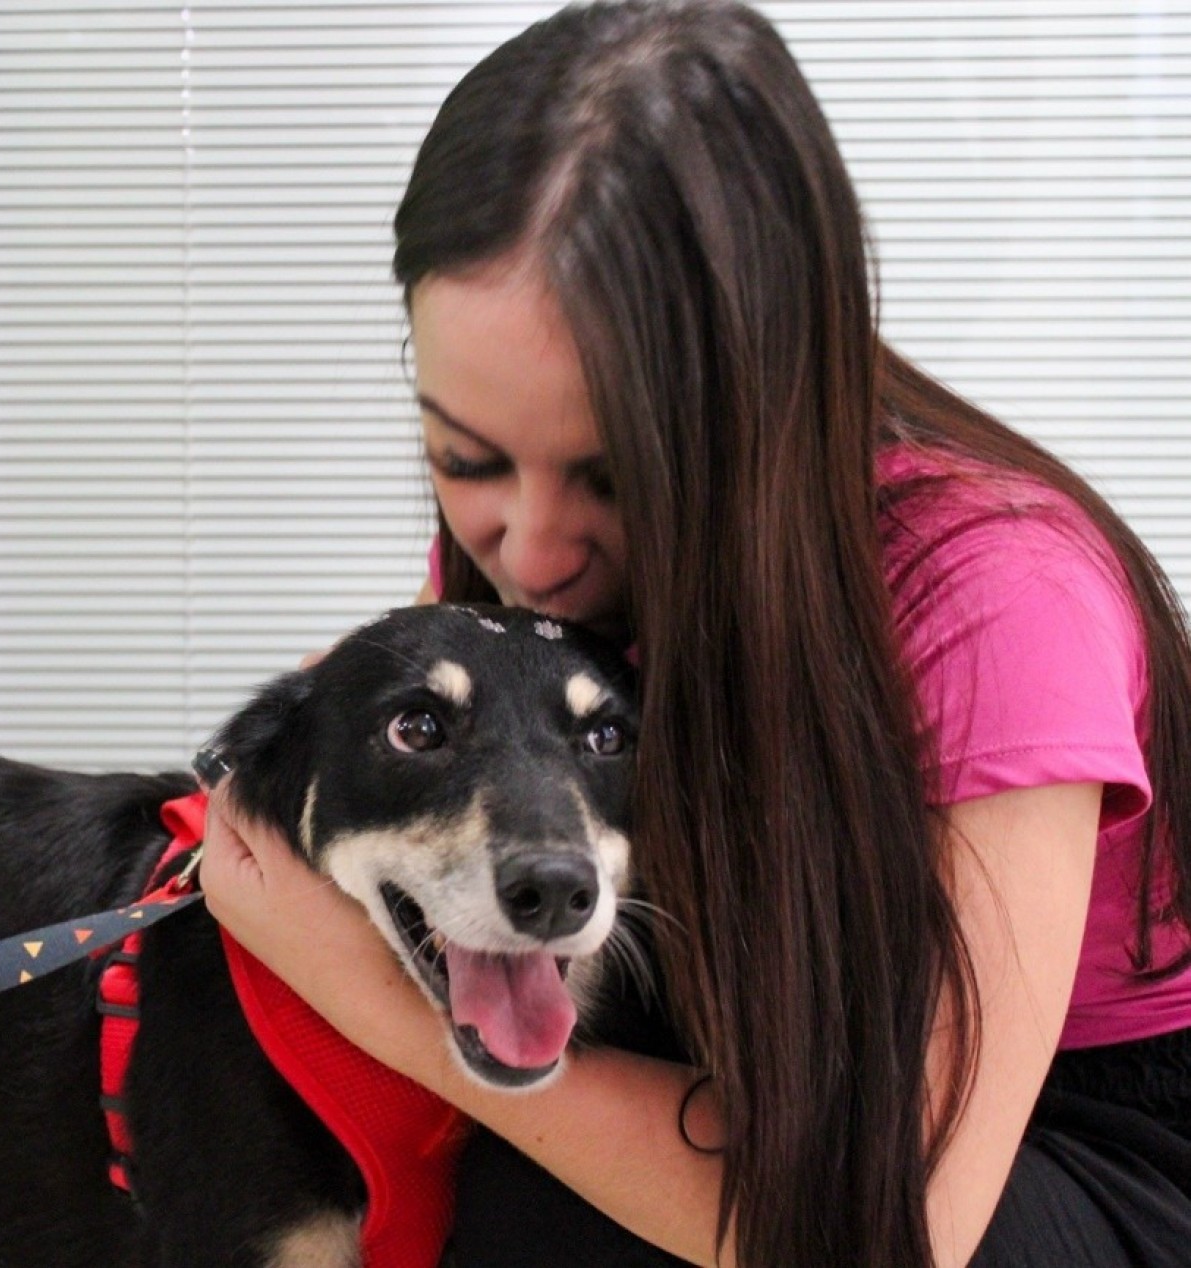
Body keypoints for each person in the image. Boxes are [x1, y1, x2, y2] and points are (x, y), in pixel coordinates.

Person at [199, 3, 1191, 1265]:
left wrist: (364, 990)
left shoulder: (1004, 601)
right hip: (762, 1033)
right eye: (466, 458)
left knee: (553, 1216)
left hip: (1074, 1128)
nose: (531, 554)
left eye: (614, 477)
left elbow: (890, 1229)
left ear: (770, 402)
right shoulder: (542, 543)